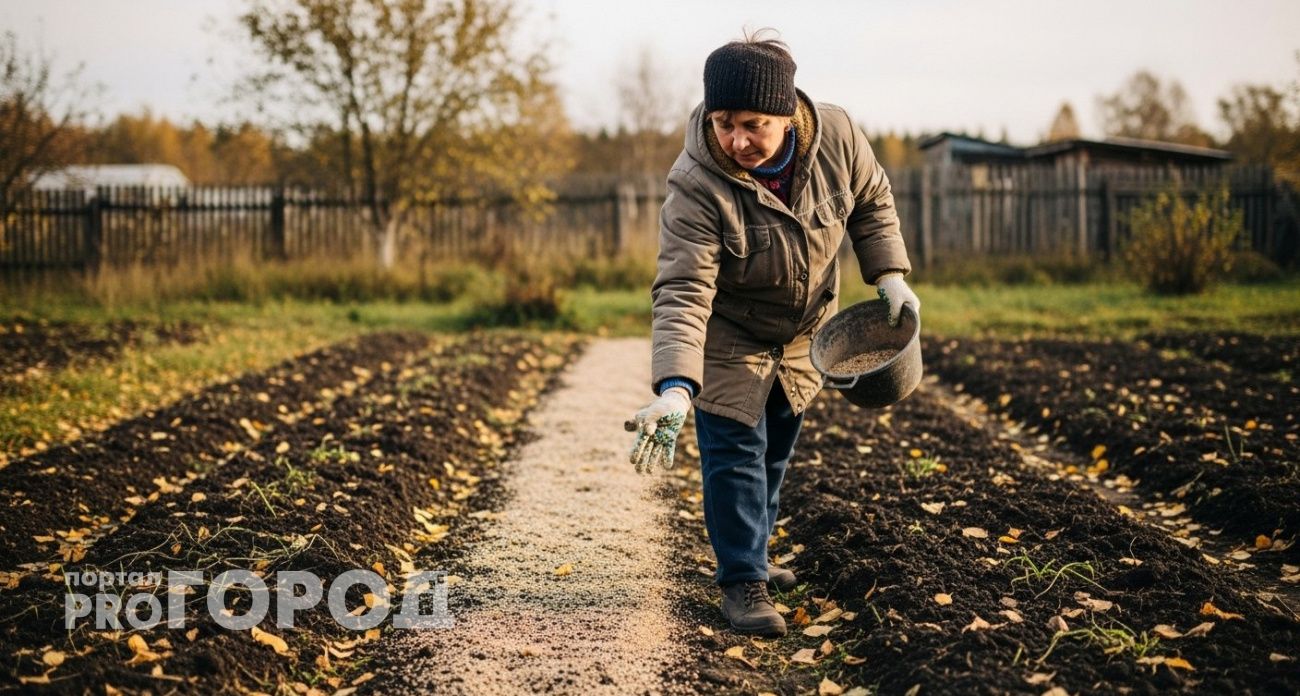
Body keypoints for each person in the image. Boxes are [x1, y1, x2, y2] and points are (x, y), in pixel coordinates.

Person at [627, 30, 920, 637]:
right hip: (727, 334)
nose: (737, 140)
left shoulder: (837, 136)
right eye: (724, 122)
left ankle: (753, 552)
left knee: (776, 449)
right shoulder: (696, 182)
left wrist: (889, 275)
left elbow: (872, 200)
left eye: (753, 124)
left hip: (807, 332)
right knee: (735, 453)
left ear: (787, 115)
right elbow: (683, 288)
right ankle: (742, 583)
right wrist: (677, 387)